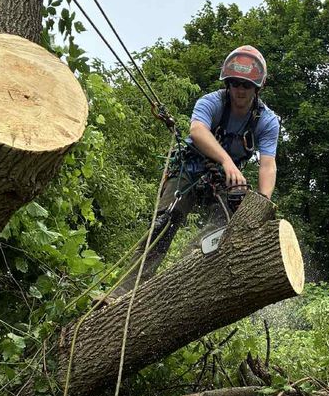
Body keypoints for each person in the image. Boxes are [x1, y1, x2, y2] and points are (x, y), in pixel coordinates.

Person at [115, 46, 280, 292]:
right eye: (235, 83)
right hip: (191, 167)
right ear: (228, 83)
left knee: (226, 223)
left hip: (225, 180)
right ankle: (125, 290)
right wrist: (227, 161)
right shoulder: (211, 102)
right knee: (163, 223)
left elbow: (268, 164)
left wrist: (262, 203)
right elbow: (197, 131)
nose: (240, 90)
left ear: (258, 87)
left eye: (246, 85)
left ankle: (182, 275)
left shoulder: (266, 120)